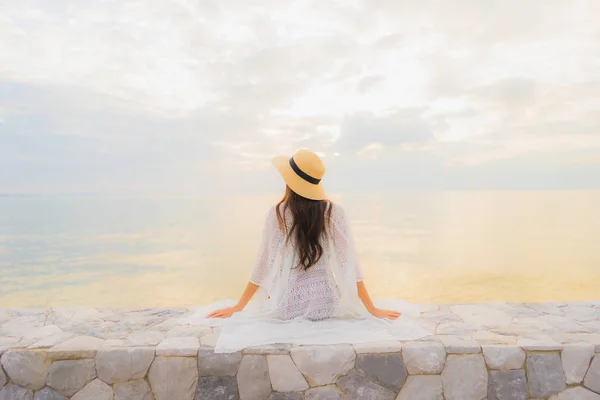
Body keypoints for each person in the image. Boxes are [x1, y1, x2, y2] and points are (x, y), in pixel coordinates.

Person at [183, 149, 429, 353]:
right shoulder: (334, 212)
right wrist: (371, 308)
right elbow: (349, 265)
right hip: (327, 303)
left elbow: (263, 263)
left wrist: (239, 306)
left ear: (289, 181)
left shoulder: (279, 214)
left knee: (269, 301)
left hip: (289, 304)